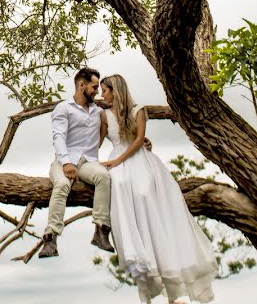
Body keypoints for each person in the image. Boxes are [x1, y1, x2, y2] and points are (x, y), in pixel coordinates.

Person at [99, 74, 217, 303]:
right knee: (120, 185)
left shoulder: (138, 110)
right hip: (116, 159)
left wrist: (119, 160)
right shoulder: (104, 115)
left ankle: (166, 264)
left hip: (137, 157)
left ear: (115, 90)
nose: (102, 95)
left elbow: (139, 139)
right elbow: (97, 140)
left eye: (105, 90)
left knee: (144, 192)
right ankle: (139, 252)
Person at [38, 67, 114, 258]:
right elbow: (58, 137)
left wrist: (141, 140)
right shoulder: (64, 108)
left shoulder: (98, 111)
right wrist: (66, 163)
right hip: (65, 160)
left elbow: (113, 129)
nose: (97, 91)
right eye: (94, 87)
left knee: (104, 177)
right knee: (62, 184)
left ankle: (101, 230)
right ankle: (50, 238)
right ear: (82, 85)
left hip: (88, 162)